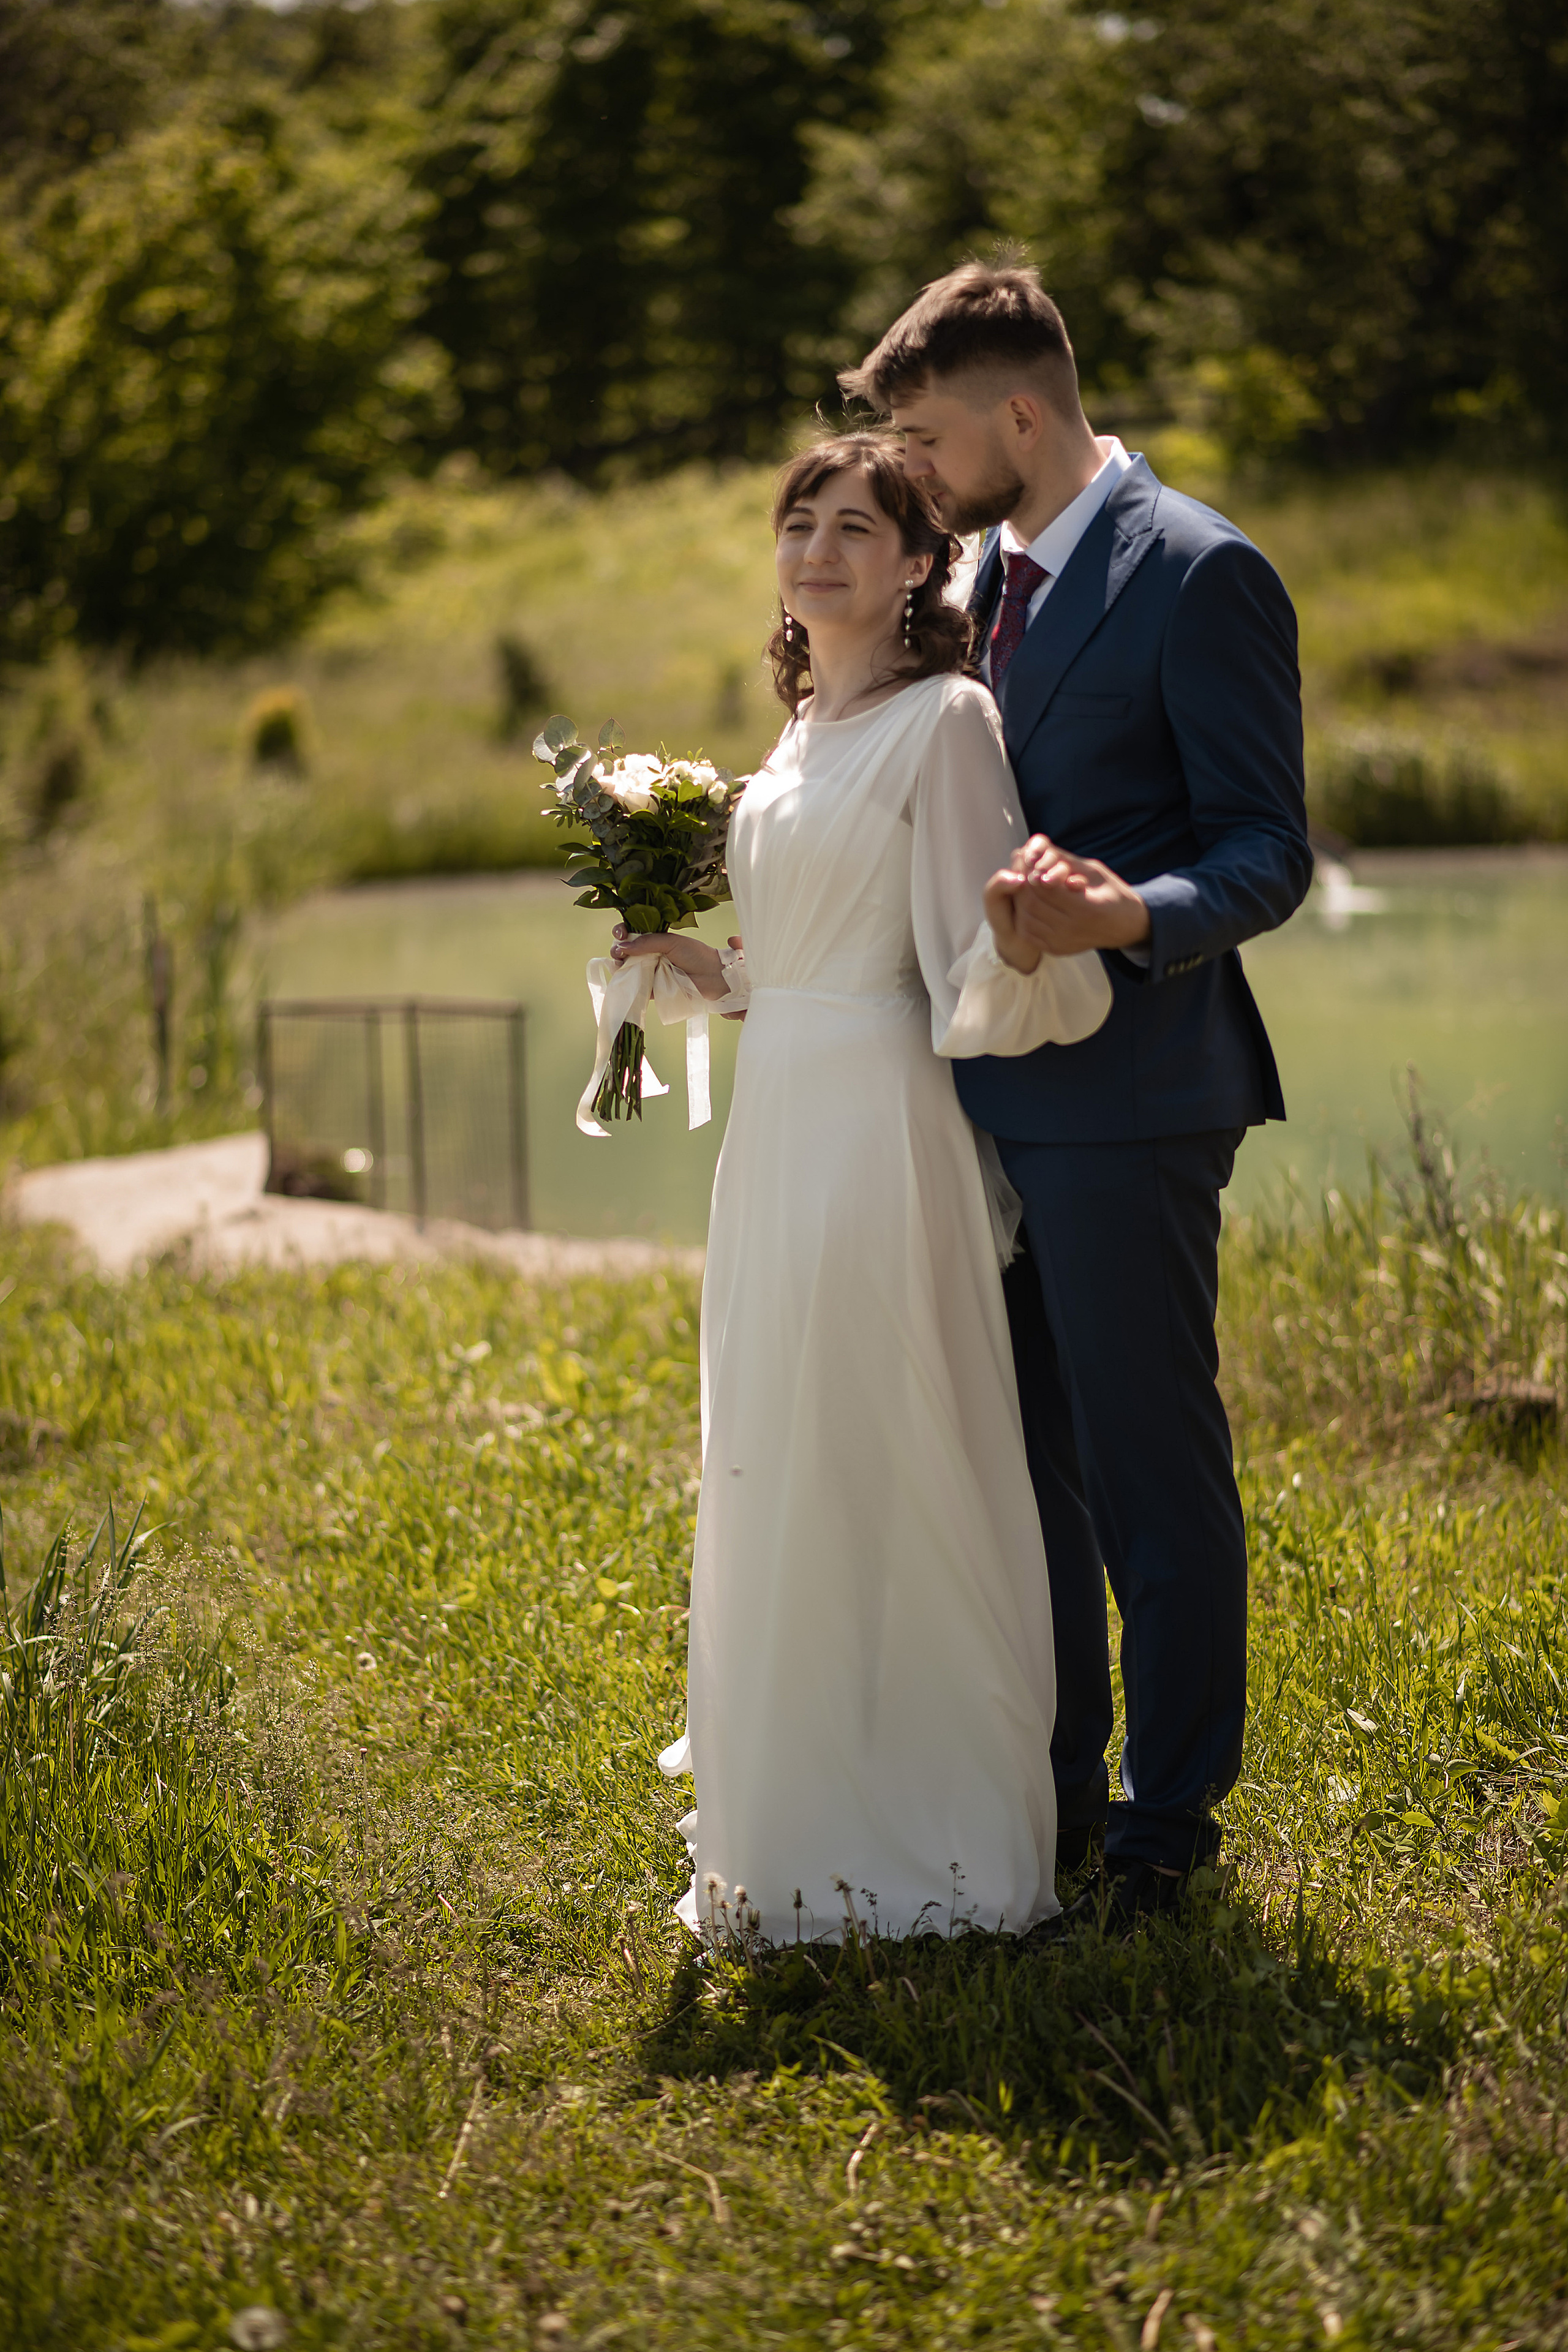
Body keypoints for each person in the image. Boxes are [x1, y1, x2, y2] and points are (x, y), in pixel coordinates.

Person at [840, 260, 1313, 1921]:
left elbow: (1269, 851)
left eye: (926, 433)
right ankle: (1045, 1788)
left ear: (1019, 414)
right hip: (974, 1104)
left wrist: (1130, 913)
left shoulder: (1201, 573)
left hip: (1134, 1096)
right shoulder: (969, 574)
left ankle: (1167, 1824)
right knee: (1016, 1460)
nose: (911, 464)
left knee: (1142, 1466)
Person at [612, 433, 1111, 1943]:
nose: (817, 548)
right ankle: (794, 1814)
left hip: (880, 1132)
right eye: (798, 522)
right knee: (780, 1452)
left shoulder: (945, 720)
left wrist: (1024, 944)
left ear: (918, 564)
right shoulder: (796, 739)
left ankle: (936, 1840)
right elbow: (796, 967)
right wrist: (695, 970)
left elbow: (960, 956)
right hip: (773, 1134)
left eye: (856, 526)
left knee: (884, 1450)